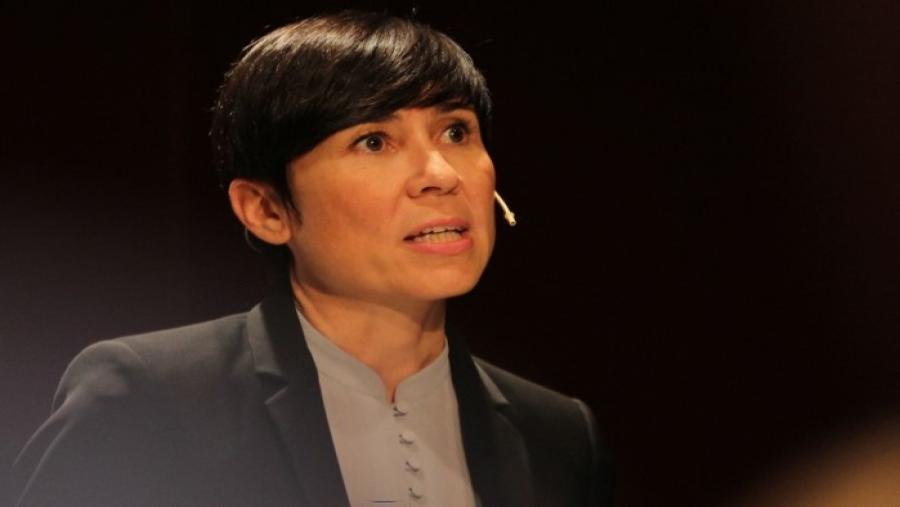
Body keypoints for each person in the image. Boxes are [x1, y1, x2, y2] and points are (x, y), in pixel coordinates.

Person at [11, 11, 613, 507]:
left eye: (456, 131)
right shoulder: (150, 399)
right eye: (374, 141)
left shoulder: (557, 434)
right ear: (266, 209)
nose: (439, 174)